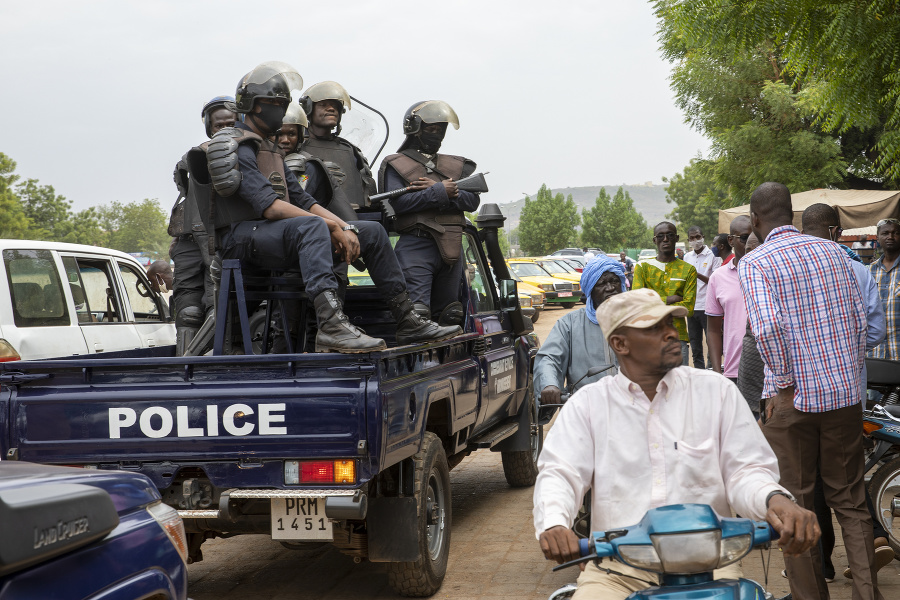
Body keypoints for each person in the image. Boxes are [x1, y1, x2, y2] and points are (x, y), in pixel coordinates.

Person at [534, 288, 820, 600]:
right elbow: (561, 473)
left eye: (671, 324)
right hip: (617, 572)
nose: (671, 334)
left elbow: (745, 471)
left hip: (711, 565)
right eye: (655, 328)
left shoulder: (716, 392)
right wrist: (554, 524)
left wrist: (775, 500)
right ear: (620, 343)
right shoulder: (588, 404)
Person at [207, 62, 459, 354]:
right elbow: (271, 207)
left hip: (272, 233)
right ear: (251, 105)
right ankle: (332, 327)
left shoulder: (270, 147)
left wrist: (345, 226)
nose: (279, 109)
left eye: (282, 103)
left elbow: (302, 200)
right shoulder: (237, 145)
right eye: (273, 103)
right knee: (313, 226)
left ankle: (408, 321)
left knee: (372, 232)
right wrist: (330, 226)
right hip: (241, 237)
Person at [738, 181, 882, 600]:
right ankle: (867, 594)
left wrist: (782, 382)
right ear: (794, 216)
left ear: (757, 218)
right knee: (850, 501)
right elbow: (860, 322)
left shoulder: (755, 262)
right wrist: (842, 372)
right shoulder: (836, 252)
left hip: (792, 400)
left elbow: (765, 327)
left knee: (795, 504)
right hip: (842, 396)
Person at [800, 203, 892, 583]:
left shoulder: (793, 271)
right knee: (849, 481)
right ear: (836, 232)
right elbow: (875, 332)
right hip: (848, 392)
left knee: (812, 482)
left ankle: (820, 565)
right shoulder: (857, 269)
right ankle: (868, 551)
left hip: (802, 393)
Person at [378, 100, 480, 325]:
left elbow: (472, 201)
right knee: (417, 315)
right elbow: (398, 204)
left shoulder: (456, 166)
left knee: (450, 315)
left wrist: (449, 194)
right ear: (415, 130)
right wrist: (438, 192)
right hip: (416, 244)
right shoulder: (397, 164)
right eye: (430, 129)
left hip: (452, 245)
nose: (436, 134)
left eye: (440, 130)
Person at [169, 95, 236, 354]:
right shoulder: (194, 157)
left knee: (216, 306)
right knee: (188, 312)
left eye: (231, 122)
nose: (225, 128)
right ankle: (184, 369)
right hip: (190, 240)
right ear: (210, 127)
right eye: (219, 125)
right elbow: (186, 186)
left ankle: (196, 365)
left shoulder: (249, 154)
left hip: (225, 241)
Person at [533, 256, 626, 407]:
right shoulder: (569, 324)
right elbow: (549, 358)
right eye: (602, 283)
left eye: (614, 281)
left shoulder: (637, 320)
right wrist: (549, 384)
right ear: (590, 291)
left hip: (631, 406)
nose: (610, 288)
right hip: (585, 408)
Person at [299, 81, 377, 211]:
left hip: (353, 217)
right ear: (309, 109)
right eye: (323, 105)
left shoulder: (350, 150)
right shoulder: (296, 146)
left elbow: (367, 194)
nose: (331, 109)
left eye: (335, 106)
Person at [632, 221, 696, 365]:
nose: (665, 239)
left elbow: (689, 308)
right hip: (647, 336)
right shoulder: (643, 267)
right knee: (648, 385)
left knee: (678, 384)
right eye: (660, 236)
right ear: (654, 240)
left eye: (669, 235)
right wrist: (670, 299)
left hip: (677, 337)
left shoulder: (688, 270)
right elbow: (636, 302)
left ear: (677, 238)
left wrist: (652, 305)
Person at [706, 216, 751, 386]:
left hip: (771, 370)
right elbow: (713, 330)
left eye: (757, 237)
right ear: (731, 240)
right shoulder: (718, 277)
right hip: (734, 371)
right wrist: (718, 374)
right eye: (745, 238)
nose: (751, 242)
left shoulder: (771, 272)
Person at [682, 225, 721, 369]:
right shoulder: (687, 257)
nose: (695, 240)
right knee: (695, 344)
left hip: (708, 306)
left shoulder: (713, 256)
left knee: (712, 342)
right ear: (688, 240)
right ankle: (699, 373)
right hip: (692, 306)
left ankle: (712, 371)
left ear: (703, 237)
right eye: (692, 238)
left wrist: (696, 274)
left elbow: (715, 281)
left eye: (697, 237)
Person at [736, 232, 764, 418]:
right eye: (748, 250)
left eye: (756, 250)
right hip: (746, 367)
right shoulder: (740, 273)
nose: (751, 255)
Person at [868, 218, 900, 360]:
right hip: (874, 354)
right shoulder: (868, 271)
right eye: (885, 233)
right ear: (878, 238)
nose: (890, 237)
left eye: (896, 233)